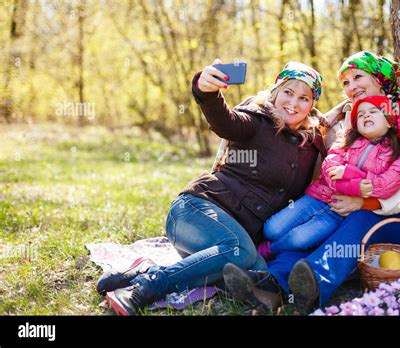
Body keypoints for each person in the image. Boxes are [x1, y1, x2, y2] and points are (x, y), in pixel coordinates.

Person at [95, 59, 326, 315]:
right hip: (196, 212)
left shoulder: (312, 144)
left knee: (258, 276)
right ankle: (149, 285)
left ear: (312, 106)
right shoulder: (257, 121)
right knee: (240, 252)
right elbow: (224, 121)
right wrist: (206, 91)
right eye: (288, 93)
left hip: (228, 241)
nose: (293, 103)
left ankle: (144, 269)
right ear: (276, 92)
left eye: (304, 98)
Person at [223, 51, 400, 313]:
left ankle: (316, 283)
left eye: (358, 77)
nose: (351, 87)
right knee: (314, 234)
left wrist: (364, 202)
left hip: (395, 217)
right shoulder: (352, 118)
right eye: (345, 82)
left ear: (380, 79)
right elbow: (331, 155)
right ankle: (269, 287)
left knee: (355, 221)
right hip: (341, 206)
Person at [256, 95, 400, 261]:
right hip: (317, 197)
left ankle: (270, 250)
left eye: (373, 111)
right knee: (271, 228)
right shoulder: (346, 140)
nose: (366, 116)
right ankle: (278, 250)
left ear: (389, 121)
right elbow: (330, 168)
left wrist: (350, 174)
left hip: (341, 212)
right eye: (361, 114)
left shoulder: (398, 152)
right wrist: (356, 186)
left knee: (300, 238)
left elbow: (386, 186)